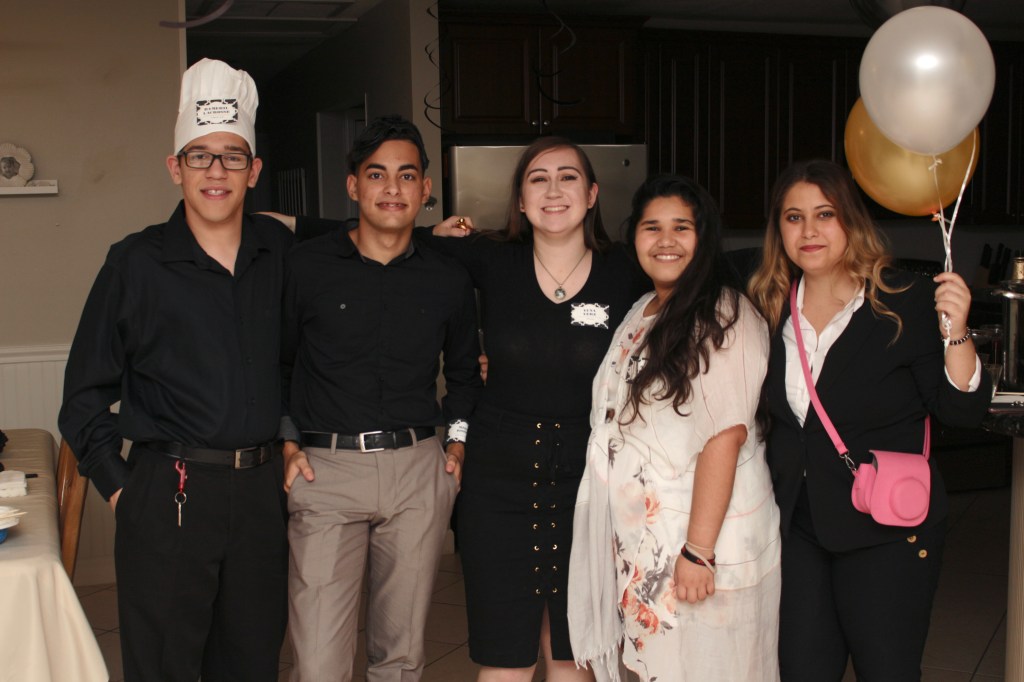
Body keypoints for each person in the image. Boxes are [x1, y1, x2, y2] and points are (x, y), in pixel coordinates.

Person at [58, 58, 292, 681]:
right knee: (165, 665)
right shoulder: (134, 264)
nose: (216, 172)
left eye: (232, 156)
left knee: (252, 663)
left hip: (264, 497)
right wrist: (124, 491)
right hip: (168, 492)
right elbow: (81, 398)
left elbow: (306, 356)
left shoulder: (282, 255)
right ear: (175, 168)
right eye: (199, 156)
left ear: (254, 171)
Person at [746, 159, 992, 681]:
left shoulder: (905, 301)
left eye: (825, 214)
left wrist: (957, 332)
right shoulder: (766, 308)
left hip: (887, 531)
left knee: (887, 672)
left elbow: (961, 411)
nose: (809, 231)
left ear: (851, 222)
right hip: (798, 530)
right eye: (793, 218)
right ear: (779, 230)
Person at [426, 137, 650, 681]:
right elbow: (381, 240)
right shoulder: (491, 257)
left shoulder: (627, 269)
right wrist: (430, 234)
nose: (554, 190)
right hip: (497, 479)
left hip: (591, 479)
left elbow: (698, 277)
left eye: (568, 177)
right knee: (505, 655)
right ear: (520, 201)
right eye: (538, 178)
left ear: (593, 193)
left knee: (575, 654)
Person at [279, 115, 482, 682]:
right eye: (377, 175)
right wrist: (288, 443)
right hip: (326, 472)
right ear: (353, 186)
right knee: (320, 663)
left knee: (400, 659)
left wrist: (458, 446)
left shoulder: (447, 278)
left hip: (419, 470)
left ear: (424, 190)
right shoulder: (306, 267)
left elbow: (465, 375)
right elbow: (279, 365)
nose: (392, 189)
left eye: (406, 176)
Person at [568, 174, 781, 681]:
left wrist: (698, 552)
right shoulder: (643, 311)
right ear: (635, 237)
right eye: (652, 227)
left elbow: (725, 435)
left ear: (703, 237)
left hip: (701, 545)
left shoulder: (725, 314)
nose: (665, 241)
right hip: (646, 545)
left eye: (681, 228)